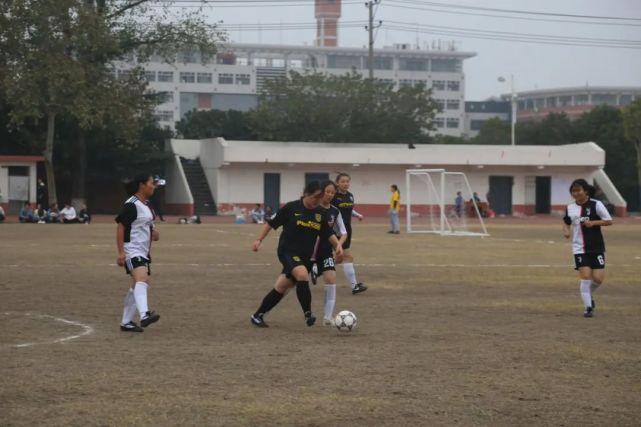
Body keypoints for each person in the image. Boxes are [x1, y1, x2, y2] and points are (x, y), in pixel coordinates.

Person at [250, 180, 344, 328]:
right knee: (302, 274)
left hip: (305, 257)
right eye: (314, 197)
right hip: (287, 251)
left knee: (281, 286)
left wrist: (338, 245)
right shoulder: (291, 207)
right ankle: (308, 314)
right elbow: (271, 223)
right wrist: (258, 240)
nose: (316, 202)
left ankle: (257, 315)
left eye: (319, 199)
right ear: (306, 194)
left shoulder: (320, 213)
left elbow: (328, 233)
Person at [116, 173, 161, 332]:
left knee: (136, 285)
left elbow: (147, 224)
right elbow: (121, 226)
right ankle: (144, 315)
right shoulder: (131, 204)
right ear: (142, 185)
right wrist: (121, 252)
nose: (153, 186)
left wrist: (153, 233)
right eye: (151, 183)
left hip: (143, 252)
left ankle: (126, 322)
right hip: (132, 250)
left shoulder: (147, 204)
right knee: (143, 279)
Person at [562, 178, 613, 318]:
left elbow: (609, 221)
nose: (575, 193)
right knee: (585, 276)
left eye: (578, 190)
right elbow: (566, 222)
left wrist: (594, 223)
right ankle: (588, 307)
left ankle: (588, 295)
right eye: (573, 191)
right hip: (579, 248)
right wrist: (566, 230)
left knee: (598, 279)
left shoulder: (597, 204)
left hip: (596, 247)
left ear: (585, 191)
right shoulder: (570, 208)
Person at [311, 180, 348, 325]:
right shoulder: (312, 208)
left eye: (332, 193)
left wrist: (338, 245)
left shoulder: (335, 211)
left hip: (326, 252)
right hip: (308, 252)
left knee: (331, 280)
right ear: (321, 192)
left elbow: (343, 232)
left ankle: (327, 317)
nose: (330, 195)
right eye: (327, 192)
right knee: (291, 283)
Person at [332, 173, 367, 294]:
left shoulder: (350, 196)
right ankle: (354, 286)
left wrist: (358, 215)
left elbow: (350, 209)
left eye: (347, 181)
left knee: (339, 258)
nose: (345, 184)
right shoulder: (333, 196)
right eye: (343, 181)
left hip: (347, 230)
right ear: (337, 183)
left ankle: (316, 269)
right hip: (336, 231)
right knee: (347, 257)